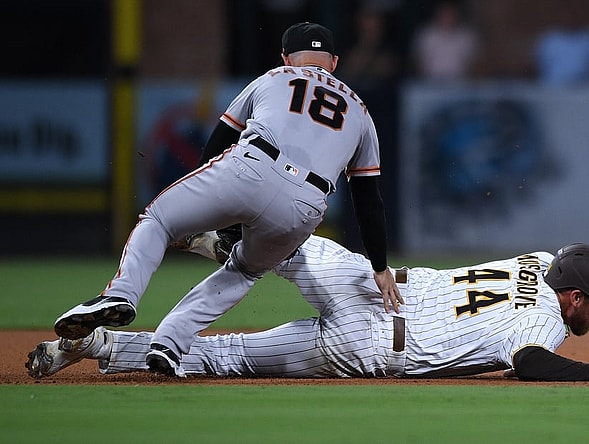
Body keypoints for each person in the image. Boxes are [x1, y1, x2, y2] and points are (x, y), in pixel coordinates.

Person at [52, 22, 403, 377]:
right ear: (335, 62)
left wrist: (214, 215)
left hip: (252, 165)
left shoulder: (274, 77)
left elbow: (218, 142)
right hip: (307, 204)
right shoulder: (360, 111)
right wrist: (379, 267)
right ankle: (170, 343)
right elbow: (367, 199)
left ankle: (121, 295)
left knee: (158, 219)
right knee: (244, 271)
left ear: (286, 57)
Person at [30, 233, 589, 382]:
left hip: (376, 287)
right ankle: (105, 348)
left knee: (291, 238)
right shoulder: (542, 321)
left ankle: (97, 343)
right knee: (226, 358)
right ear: (572, 296)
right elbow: (531, 364)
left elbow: (569, 251)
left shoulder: (538, 260)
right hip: (371, 347)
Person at [532, 1, 589, 87]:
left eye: (575, 14)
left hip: (586, 89)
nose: (571, 17)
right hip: (553, 88)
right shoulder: (549, 39)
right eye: (567, 14)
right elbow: (538, 66)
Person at [411, 0, 481, 81]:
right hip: (430, 83)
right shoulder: (426, 35)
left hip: (461, 83)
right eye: (444, 13)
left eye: (451, 13)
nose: (448, 16)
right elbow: (417, 61)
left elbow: (477, 63)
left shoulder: (468, 36)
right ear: (437, 14)